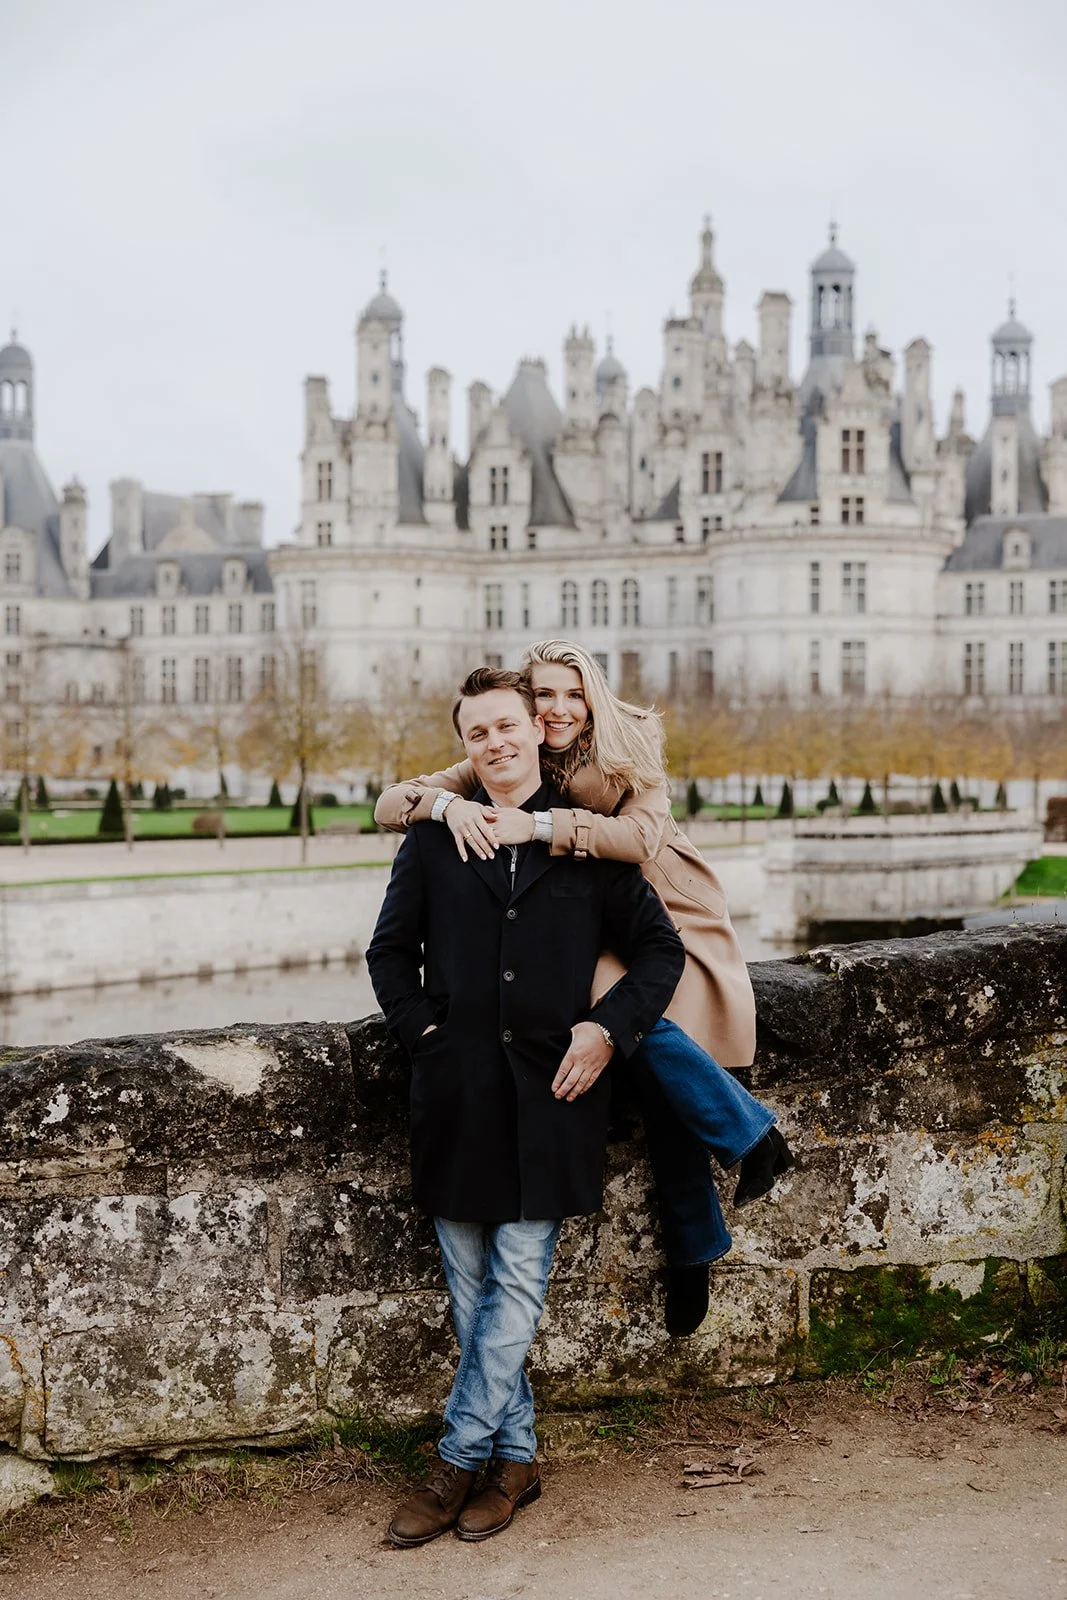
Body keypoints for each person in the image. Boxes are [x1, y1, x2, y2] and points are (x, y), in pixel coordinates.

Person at [374, 640, 793, 1339]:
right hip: (584, 926)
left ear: (592, 697)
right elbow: (394, 802)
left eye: (572, 694)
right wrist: (446, 810)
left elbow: (639, 841)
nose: (558, 708)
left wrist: (536, 824)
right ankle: (733, 1174)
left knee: (643, 1040)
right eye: (544, 696)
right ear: (528, 706)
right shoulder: (507, 738)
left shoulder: (631, 744)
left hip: (662, 912)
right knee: (631, 1042)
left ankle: (738, 1160)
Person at [366, 667, 684, 1548]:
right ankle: (516, 1461)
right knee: (473, 1291)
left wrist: (605, 1031)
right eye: (478, 734)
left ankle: (454, 1464)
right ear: (466, 746)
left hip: (555, 1093)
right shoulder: (435, 839)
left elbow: (661, 953)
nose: (495, 743)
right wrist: (427, 1034)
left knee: (514, 1282)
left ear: (534, 732)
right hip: (456, 1094)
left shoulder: (580, 840)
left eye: (507, 726)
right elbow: (388, 956)